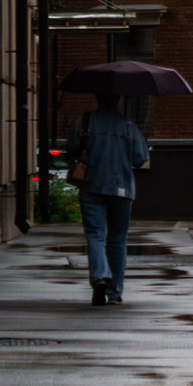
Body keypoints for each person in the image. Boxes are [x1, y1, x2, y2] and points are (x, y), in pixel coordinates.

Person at [71, 92, 150, 305]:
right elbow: (140, 159)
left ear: (98, 98)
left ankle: (99, 277)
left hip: (91, 186)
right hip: (121, 189)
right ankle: (114, 293)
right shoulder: (129, 125)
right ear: (117, 100)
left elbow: (71, 149)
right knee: (117, 239)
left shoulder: (84, 121)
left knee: (95, 234)